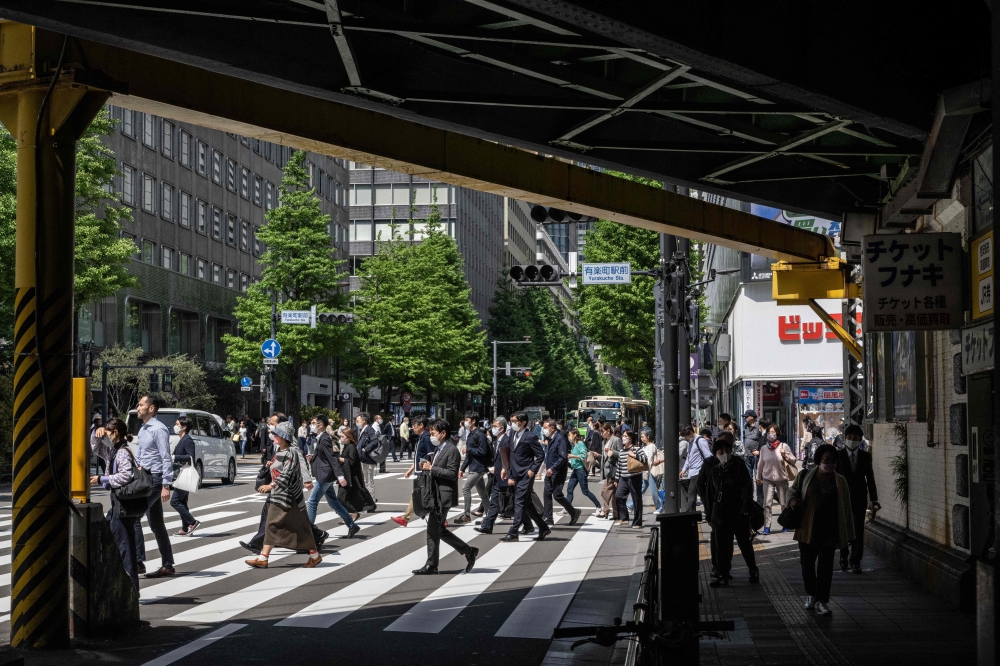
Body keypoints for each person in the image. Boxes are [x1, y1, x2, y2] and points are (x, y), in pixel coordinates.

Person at [787, 444, 856, 616]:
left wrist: (848, 533)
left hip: (830, 531)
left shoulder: (841, 481)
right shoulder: (805, 475)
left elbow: (846, 508)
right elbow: (791, 491)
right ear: (819, 460)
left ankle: (822, 601)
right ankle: (811, 593)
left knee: (825, 567)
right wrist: (793, 501)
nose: (829, 464)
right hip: (807, 529)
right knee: (807, 565)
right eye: (826, 460)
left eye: (833, 461)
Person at [246, 421, 322, 569]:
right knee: (298, 527)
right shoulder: (279, 452)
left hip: (286, 496)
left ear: (283, 437)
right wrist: (269, 466)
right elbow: (278, 470)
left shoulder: (291, 452)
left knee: (272, 525)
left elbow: (287, 473)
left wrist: (271, 485)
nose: (273, 436)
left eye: (276, 434)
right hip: (282, 495)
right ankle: (314, 555)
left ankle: (264, 557)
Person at [413, 420, 479, 575]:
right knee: (439, 530)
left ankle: (432, 565)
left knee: (432, 530)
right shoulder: (439, 448)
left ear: (443, 433)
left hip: (444, 495)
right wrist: (427, 466)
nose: (431, 436)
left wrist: (432, 468)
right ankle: (469, 551)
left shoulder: (451, 450)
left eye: (434, 433)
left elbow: (451, 474)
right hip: (435, 494)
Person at [89, 417, 140, 589]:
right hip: (118, 502)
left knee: (124, 546)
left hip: (123, 503)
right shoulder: (113, 451)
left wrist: (102, 478)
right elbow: (96, 448)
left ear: (116, 433)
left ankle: (131, 586)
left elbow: (126, 475)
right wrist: (97, 433)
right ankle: (127, 584)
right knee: (121, 543)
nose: (106, 437)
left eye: (108, 433)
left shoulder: (123, 451)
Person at [127, 394, 174, 578]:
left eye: (141, 405)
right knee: (156, 524)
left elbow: (165, 457)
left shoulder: (158, 429)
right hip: (145, 478)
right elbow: (143, 455)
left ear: (151, 408)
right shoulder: (144, 428)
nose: (138, 408)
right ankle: (167, 565)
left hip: (155, 480)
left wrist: (166, 484)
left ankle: (138, 562)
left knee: (134, 517)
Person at [702, 437, 759, 587]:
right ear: (715, 454)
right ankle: (723, 574)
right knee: (722, 545)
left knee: (744, 543)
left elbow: (747, 488)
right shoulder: (714, 470)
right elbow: (710, 493)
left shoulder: (739, 466)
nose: (724, 453)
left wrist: (746, 507)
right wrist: (709, 514)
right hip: (720, 513)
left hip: (738, 512)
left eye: (727, 451)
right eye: (721, 451)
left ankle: (753, 570)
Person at [306, 414, 361, 538]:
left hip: (325, 475)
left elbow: (331, 458)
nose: (312, 426)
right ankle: (352, 525)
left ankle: (309, 531)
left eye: (314, 423)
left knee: (312, 502)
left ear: (320, 425)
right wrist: (312, 458)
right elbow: (324, 457)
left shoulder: (324, 438)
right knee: (334, 503)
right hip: (325, 474)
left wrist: (340, 476)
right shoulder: (321, 437)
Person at [500, 411, 550, 542]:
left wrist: (532, 470)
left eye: (515, 421)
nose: (512, 424)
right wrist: (509, 473)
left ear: (522, 422)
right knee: (527, 504)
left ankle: (513, 532)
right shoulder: (512, 435)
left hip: (526, 475)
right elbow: (512, 456)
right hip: (516, 473)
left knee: (519, 501)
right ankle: (543, 527)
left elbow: (540, 455)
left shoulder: (530, 436)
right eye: (512, 421)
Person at [836, 424, 879, 573]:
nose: (852, 439)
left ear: (860, 439)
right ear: (845, 438)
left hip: (860, 497)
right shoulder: (838, 455)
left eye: (855, 437)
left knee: (858, 530)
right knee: (843, 527)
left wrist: (874, 498)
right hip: (842, 498)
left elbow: (870, 478)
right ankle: (843, 556)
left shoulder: (865, 456)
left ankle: (856, 561)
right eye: (849, 436)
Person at [392, 415, 433, 527]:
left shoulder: (426, 437)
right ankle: (405, 518)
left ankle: (405, 518)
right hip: (420, 471)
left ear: (422, 425)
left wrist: (431, 469)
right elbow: (420, 457)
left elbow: (430, 455)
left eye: (415, 425)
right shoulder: (421, 437)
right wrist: (410, 470)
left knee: (420, 495)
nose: (413, 427)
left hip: (425, 472)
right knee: (419, 495)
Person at [475, 417, 513, 534]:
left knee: (518, 502)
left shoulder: (506, 441)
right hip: (497, 476)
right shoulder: (496, 441)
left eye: (495, 426)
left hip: (506, 476)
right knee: (494, 501)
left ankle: (530, 524)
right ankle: (487, 526)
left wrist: (508, 472)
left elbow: (510, 459)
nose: (493, 428)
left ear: (502, 428)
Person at [541, 417, 582, 525]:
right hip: (550, 471)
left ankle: (574, 512)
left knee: (557, 494)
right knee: (546, 493)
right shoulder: (550, 438)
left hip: (558, 471)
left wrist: (552, 468)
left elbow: (562, 457)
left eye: (545, 427)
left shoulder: (560, 439)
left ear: (552, 428)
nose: (543, 429)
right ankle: (548, 517)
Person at [756, 423, 796, 535]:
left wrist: (785, 456)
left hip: (782, 478)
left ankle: (785, 524)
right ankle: (767, 527)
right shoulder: (764, 448)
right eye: (769, 432)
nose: (771, 435)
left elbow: (793, 460)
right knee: (767, 503)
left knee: (784, 503)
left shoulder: (784, 446)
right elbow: (760, 464)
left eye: (773, 432)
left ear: (777, 433)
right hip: (767, 478)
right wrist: (758, 477)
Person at [456, 411, 490, 524]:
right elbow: (468, 456)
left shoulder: (479, 434)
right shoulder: (470, 434)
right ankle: (490, 516)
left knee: (466, 488)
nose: (465, 422)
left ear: (473, 421)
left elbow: (483, 451)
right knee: (483, 493)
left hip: (479, 467)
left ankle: (466, 515)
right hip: (473, 466)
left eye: (467, 419)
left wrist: (469, 449)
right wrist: (462, 468)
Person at [170, 415, 200, 536]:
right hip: (181, 473)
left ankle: (193, 522)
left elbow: (190, 456)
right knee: (182, 502)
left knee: (175, 501)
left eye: (177, 424)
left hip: (185, 474)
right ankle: (185, 528)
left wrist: (174, 457)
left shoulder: (187, 439)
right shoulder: (182, 439)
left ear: (184, 427)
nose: (175, 426)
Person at [337, 427, 377, 517]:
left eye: (343, 436)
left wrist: (340, 459)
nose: (341, 438)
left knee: (341, 498)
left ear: (348, 437)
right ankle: (350, 515)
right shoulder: (347, 446)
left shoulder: (351, 447)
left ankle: (353, 513)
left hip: (350, 477)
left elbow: (351, 461)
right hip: (347, 476)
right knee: (346, 497)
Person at [614, 429, 648, 528]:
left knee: (636, 499)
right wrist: (617, 479)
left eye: (625, 436)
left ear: (631, 438)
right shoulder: (621, 451)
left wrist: (633, 455)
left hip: (634, 477)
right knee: (619, 496)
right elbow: (619, 466)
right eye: (623, 436)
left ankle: (637, 522)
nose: (623, 438)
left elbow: (645, 459)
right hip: (623, 478)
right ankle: (624, 518)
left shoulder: (636, 449)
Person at [566, 428, 600, 512]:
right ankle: (567, 508)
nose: (568, 437)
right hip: (576, 469)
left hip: (581, 469)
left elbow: (583, 455)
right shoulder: (574, 445)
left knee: (585, 491)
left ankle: (598, 506)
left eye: (569, 435)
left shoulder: (580, 443)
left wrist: (572, 456)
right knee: (569, 489)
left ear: (574, 435)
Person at [680, 427, 713, 513]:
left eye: (686, 436)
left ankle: (689, 513)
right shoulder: (691, 442)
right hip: (693, 471)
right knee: (701, 493)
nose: (686, 439)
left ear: (691, 432)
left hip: (699, 471)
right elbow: (689, 457)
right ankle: (708, 511)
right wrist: (684, 469)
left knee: (691, 492)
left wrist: (705, 469)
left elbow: (708, 455)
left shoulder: (700, 440)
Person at [598, 423, 621, 519]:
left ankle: (605, 510)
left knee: (604, 491)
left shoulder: (616, 440)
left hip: (614, 469)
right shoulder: (604, 441)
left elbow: (621, 454)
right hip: (607, 470)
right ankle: (616, 514)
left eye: (602, 431)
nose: (601, 434)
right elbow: (605, 456)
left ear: (608, 430)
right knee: (614, 495)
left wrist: (612, 452)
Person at [356, 412, 379, 508]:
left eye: (358, 421)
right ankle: (368, 501)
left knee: (369, 481)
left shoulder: (369, 429)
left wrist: (366, 449)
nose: (356, 423)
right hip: (364, 459)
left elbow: (375, 441)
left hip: (368, 460)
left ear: (364, 421)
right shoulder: (363, 429)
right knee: (366, 481)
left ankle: (372, 502)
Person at [742, 410, 764, 502]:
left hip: (756, 455)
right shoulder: (745, 427)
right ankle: (749, 498)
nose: (745, 418)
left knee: (758, 477)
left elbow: (763, 440)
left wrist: (759, 452)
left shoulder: (759, 427)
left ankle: (760, 498)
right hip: (747, 455)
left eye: (747, 416)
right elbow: (744, 438)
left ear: (752, 417)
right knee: (748, 478)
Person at [639, 429, 663, 512]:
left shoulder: (652, 446)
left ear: (648, 437)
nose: (641, 438)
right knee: (641, 489)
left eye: (643, 437)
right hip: (646, 471)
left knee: (653, 491)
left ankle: (660, 508)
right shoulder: (644, 447)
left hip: (651, 471)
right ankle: (630, 505)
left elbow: (649, 459)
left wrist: (645, 469)